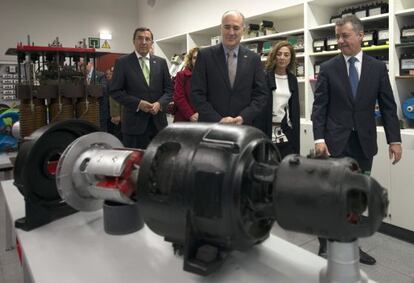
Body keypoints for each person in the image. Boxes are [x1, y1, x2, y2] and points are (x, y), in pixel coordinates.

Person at [311, 15, 402, 265]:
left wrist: (394, 140)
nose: (340, 41)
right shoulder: (328, 68)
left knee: (356, 196)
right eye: (337, 36)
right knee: (331, 196)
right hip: (334, 144)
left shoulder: (377, 68)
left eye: (345, 36)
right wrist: (319, 137)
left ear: (360, 35)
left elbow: (387, 106)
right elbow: (319, 107)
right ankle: (325, 243)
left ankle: (350, 245)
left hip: (363, 144)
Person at [190, 10, 267, 126]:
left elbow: (261, 94)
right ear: (220, 28)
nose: (231, 32)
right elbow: (196, 93)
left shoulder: (253, 59)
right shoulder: (205, 56)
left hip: (243, 127)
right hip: (211, 127)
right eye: (227, 27)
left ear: (243, 30)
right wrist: (217, 119)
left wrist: (244, 116)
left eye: (236, 28)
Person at [110, 27, 172, 149]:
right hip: (134, 127)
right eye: (140, 38)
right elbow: (115, 91)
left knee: (158, 162)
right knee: (135, 164)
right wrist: (138, 104)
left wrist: (159, 104)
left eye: (147, 39)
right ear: (133, 41)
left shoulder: (161, 62)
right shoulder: (123, 62)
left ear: (151, 43)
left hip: (158, 125)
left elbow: (169, 90)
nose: (143, 42)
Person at [255, 41, 300, 158]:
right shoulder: (264, 77)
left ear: (291, 58)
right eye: (279, 54)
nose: (282, 58)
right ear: (274, 56)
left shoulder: (292, 79)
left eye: (286, 55)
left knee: (286, 164)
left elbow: (293, 108)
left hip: (284, 130)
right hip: (265, 129)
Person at [173, 47, 199, 122]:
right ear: (190, 60)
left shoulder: (208, 76)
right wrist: (190, 114)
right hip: (183, 118)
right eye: (194, 58)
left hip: (202, 118)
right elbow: (178, 97)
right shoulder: (181, 75)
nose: (197, 60)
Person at [85, 60, 109, 132]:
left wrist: (90, 88)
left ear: (91, 63)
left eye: (84, 64)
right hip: (87, 113)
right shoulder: (81, 77)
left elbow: (104, 89)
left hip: (99, 112)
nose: (82, 67)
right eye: (80, 65)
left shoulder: (100, 75)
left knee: (101, 135)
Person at [105, 66, 123, 141]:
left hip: (128, 115)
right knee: (118, 136)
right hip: (120, 116)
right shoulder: (116, 81)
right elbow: (114, 97)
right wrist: (115, 114)